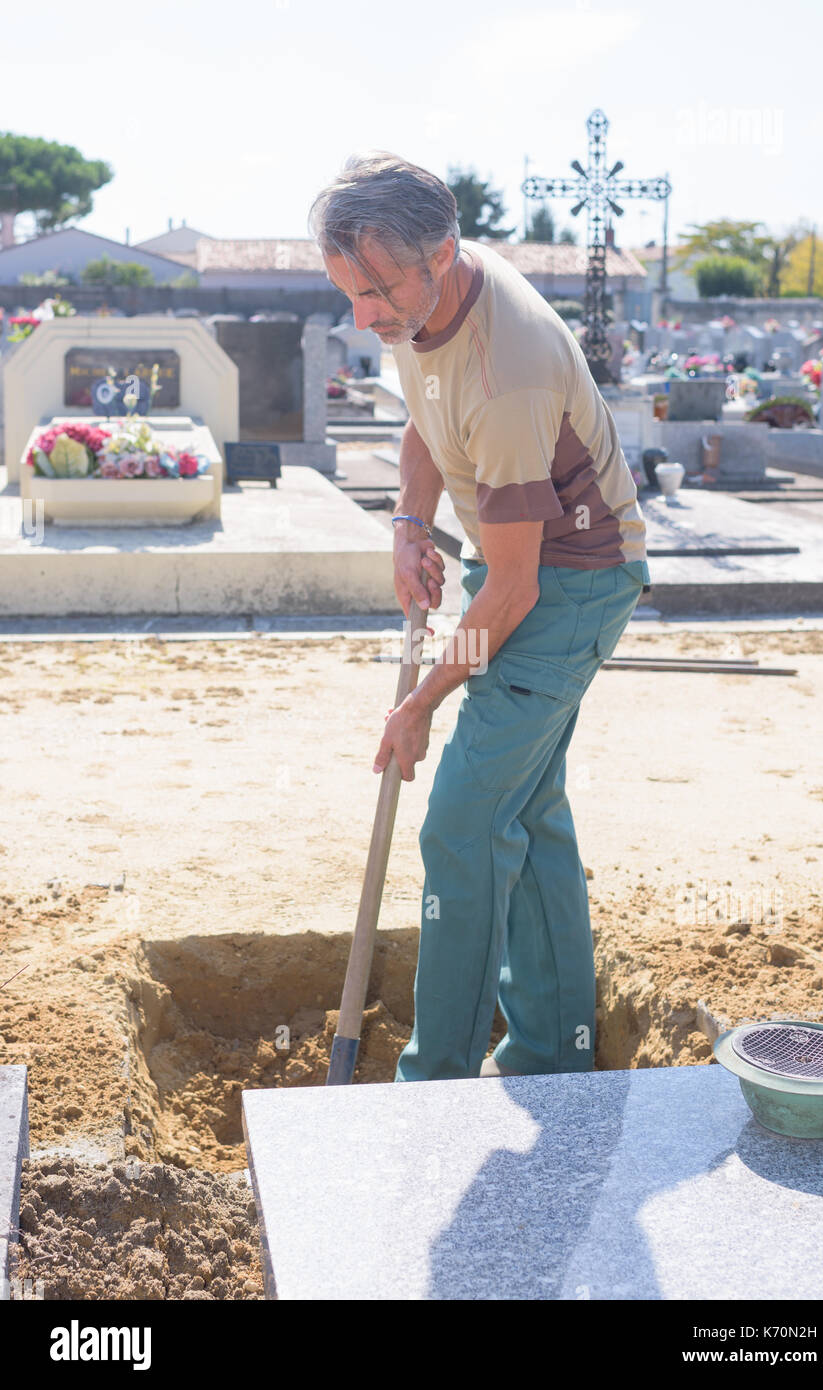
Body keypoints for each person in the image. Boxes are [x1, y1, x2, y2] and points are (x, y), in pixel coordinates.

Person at [309, 152, 651, 1082]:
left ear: (442, 254)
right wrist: (409, 524)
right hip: (523, 570)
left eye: (375, 293)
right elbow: (426, 411)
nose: (363, 317)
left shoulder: (513, 370)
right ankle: (553, 1049)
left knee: (461, 817)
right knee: (525, 807)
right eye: (348, 293)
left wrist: (418, 701)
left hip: (571, 584)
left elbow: (512, 592)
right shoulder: (425, 299)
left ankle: (439, 1077)